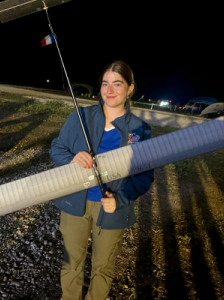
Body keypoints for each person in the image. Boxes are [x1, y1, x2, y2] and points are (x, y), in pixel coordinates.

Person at [49, 61, 154, 300]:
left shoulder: (140, 129)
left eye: (117, 84)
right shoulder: (81, 116)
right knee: (71, 261)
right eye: (105, 83)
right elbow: (56, 148)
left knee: (103, 266)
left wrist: (121, 198)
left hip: (112, 207)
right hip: (75, 202)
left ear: (130, 89)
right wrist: (72, 157)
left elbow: (145, 175)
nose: (109, 90)